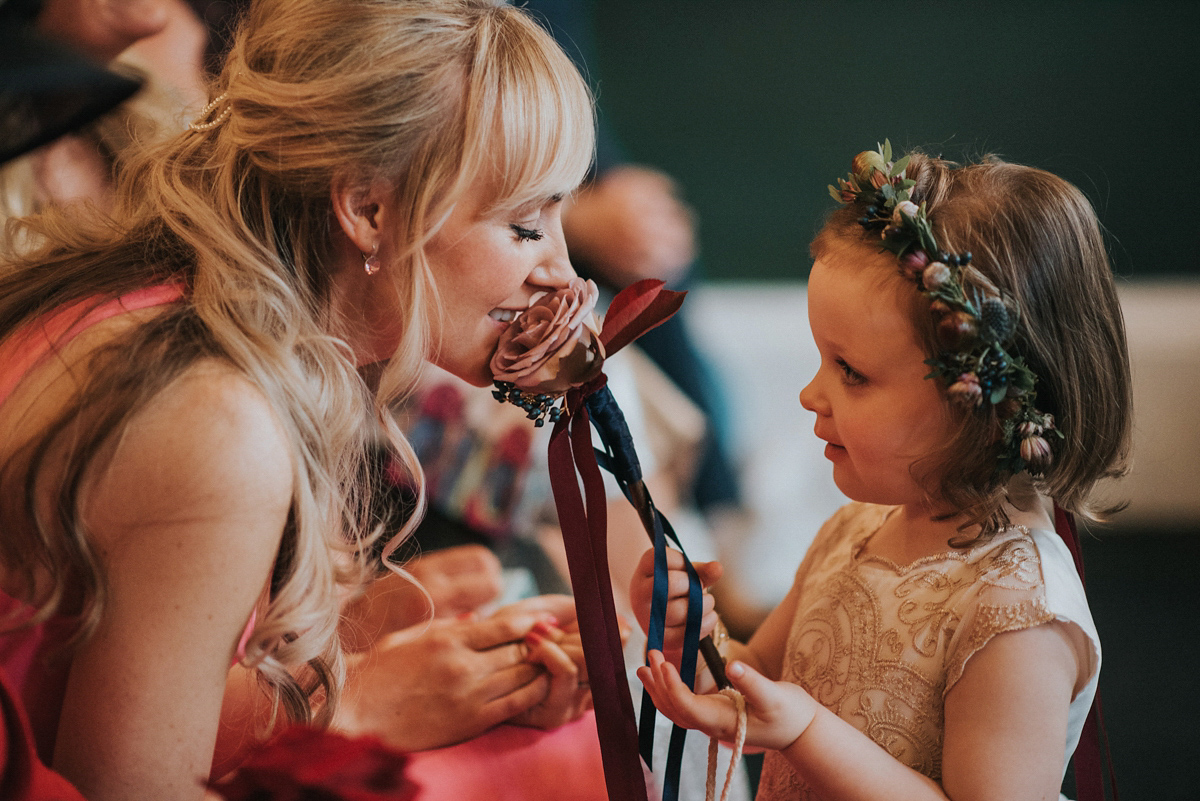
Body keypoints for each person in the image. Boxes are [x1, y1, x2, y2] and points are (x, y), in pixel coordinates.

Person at [0, 0, 598, 798]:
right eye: (525, 224)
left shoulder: (160, 302)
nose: (559, 270)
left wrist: (360, 634)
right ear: (367, 210)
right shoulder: (217, 420)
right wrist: (354, 700)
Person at [632, 144, 1131, 800]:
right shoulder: (852, 533)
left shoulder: (1017, 615)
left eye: (851, 372)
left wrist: (804, 729)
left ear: (979, 407)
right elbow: (747, 688)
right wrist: (687, 634)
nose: (811, 394)